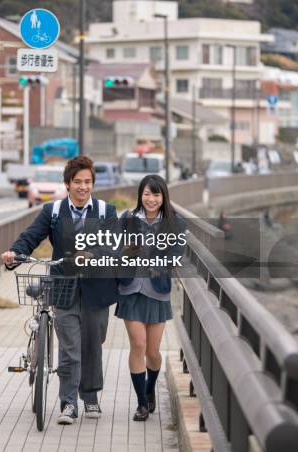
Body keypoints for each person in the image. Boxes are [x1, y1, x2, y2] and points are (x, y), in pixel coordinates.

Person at [1, 156, 118, 426]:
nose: (83, 187)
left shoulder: (104, 211)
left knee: (93, 344)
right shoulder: (52, 212)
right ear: (67, 184)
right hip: (63, 286)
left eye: (87, 182)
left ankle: (90, 396)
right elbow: (31, 237)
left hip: (97, 287)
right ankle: (68, 404)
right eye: (77, 182)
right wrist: (15, 254)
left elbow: (113, 246)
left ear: (93, 184)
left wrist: (93, 253)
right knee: (69, 347)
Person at [115, 174, 186, 422]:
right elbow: (114, 249)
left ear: (163, 196)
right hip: (130, 289)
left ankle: (150, 387)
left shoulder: (175, 223)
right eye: (146, 194)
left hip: (157, 291)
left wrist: (160, 262)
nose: (151, 199)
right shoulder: (127, 219)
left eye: (156, 194)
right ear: (140, 195)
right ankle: (142, 403)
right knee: (138, 345)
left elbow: (177, 254)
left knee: (154, 352)